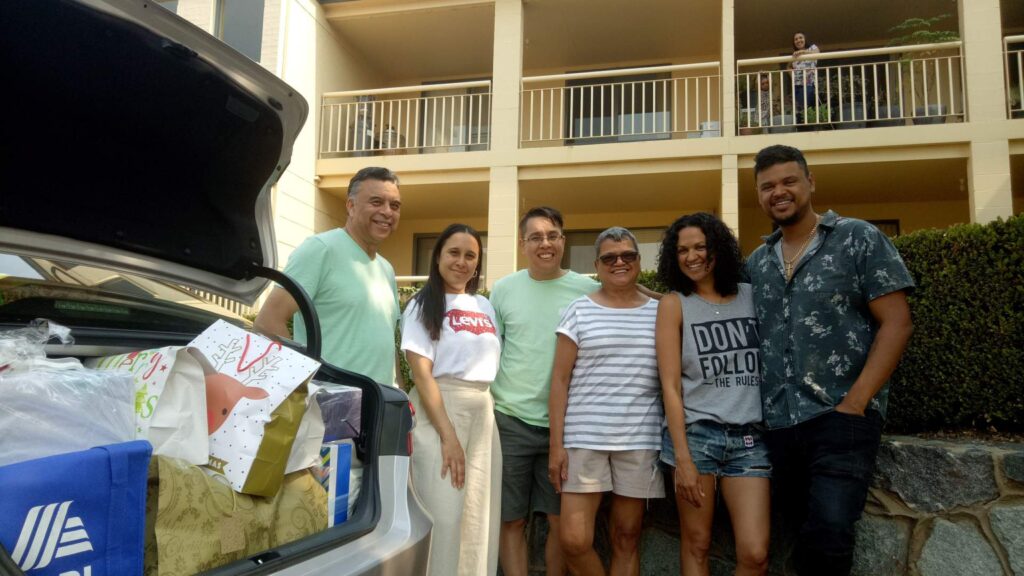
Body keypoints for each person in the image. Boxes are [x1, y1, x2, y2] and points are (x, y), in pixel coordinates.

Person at [747, 145, 914, 575]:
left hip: (840, 418)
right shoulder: (757, 263)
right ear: (758, 194)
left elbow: (897, 324)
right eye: (767, 186)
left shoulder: (858, 237)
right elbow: (704, 303)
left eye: (788, 182)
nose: (778, 192)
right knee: (799, 534)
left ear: (810, 182)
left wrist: (856, 402)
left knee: (831, 531)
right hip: (779, 425)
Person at [655, 213, 770, 576]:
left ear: (718, 248)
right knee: (697, 543)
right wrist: (683, 460)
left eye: (700, 247)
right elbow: (670, 386)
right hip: (697, 437)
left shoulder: (752, 296)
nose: (691, 256)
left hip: (750, 439)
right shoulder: (674, 304)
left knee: (754, 554)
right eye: (682, 250)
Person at [548, 227, 664, 576]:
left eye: (628, 255)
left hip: (640, 439)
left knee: (626, 537)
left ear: (639, 261)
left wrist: (649, 292)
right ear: (596, 265)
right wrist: (557, 445)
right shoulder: (578, 310)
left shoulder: (660, 311)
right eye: (610, 257)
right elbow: (559, 380)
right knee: (574, 540)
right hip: (583, 438)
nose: (619, 262)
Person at [490, 206, 599, 576]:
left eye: (552, 235)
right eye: (535, 237)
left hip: (566, 427)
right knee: (512, 521)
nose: (545, 243)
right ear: (523, 245)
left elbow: (628, 295)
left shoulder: (588, 291)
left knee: (558, 521)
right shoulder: (503, 290)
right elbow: (491, 350)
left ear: (563, 241)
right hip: (510, 421)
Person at [401, 223, 502, 576]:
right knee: (443, 514)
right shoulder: (421, 303)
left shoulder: (485, 305)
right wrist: (448, 437)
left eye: (470, 255)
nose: (461, 262)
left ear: (478, 263)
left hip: (481, 412)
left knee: (478, 517)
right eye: (454, 253)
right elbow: (421, 373)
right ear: (438, 257)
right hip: (438, 411)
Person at [255, 166, 403, 387]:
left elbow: (385, 343)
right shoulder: (320, 249)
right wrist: (307, 385)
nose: (387, 212)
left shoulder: (386, 269)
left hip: (380, 405)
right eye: (376, 202)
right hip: (330, 406)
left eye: (395, 205)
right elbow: (267, 322)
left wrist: (399, 393)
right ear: (351, 206)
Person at [790, 32, 820, 119]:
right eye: (796, 39)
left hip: (808, 84)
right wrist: (792, 75)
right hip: (796, 85)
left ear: (805, 39)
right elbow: (788, 66)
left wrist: (803, 52)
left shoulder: (812, 48)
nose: (798, 40)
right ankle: (800, 127)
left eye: (800, 38)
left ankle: (806, 127)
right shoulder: (795, 55)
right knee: (798, 109)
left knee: (805, 107)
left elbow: (817, 53)